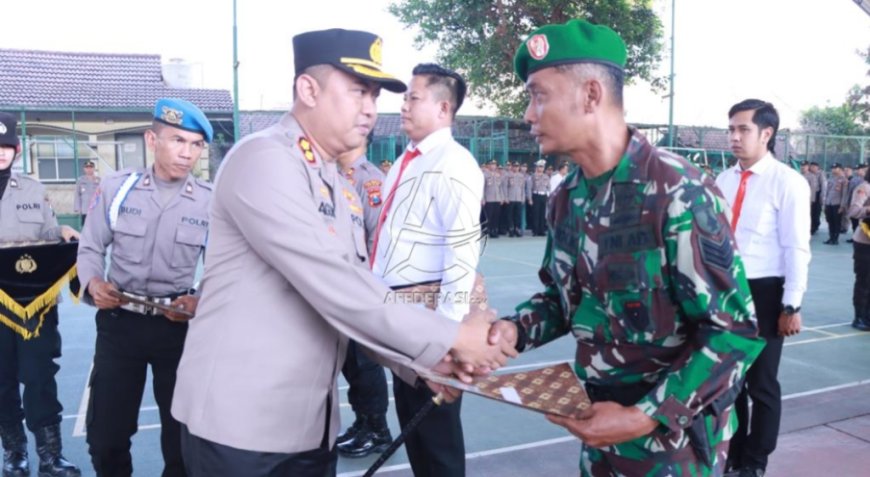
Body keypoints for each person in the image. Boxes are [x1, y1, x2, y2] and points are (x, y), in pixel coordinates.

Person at [170, 29, 511, 477]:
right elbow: (333, 283)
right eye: (357, 91)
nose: (371, 108)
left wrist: (424, 367)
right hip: (241, 428)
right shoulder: (264, 159)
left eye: (374, 95)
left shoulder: (335, 182)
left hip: (308, 426)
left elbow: (358, 289)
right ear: (308, 90)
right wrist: (451, 338)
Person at [489, 19, 764, 476]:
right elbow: (561, 299)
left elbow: (733, 332)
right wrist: (512, 330)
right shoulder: (566, 198)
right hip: (597, 428)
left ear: (590, 95)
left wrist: (643, 416)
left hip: (672, 446)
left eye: (538, 96)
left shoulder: (678, 191)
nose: (529, 115)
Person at [76, 98, 215, 477]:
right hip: (120, 324)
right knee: (106, 437)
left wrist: (199, 298)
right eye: (178, 141)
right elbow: (90, 247)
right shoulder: (118, 188)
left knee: (182, 439)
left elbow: (223, 266)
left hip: (178, 329)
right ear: (152, 140)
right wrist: (94, 283)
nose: (187, 153)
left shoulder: (209, 201)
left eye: (196, 145)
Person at [370, 62, 484, 477]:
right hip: (401, 316)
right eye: (404, 98)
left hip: (429, 315)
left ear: (443, 108)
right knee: (415, 431)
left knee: (437, 441)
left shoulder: (454, 163)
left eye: (413, 98)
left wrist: (446, 336)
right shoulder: (407, 161)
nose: (403, 106)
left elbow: (461, 254)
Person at [716, 99, 811, 477]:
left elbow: (796, 247)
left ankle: (756, 462)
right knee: (729, 382)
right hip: (726, 291)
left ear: (766, 134)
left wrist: (791, 305)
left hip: (765, 293)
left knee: (762, 384)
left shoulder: (788, 182)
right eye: (731, 129)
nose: (734, 137)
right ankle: (734, 454)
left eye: (744, 129)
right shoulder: (723, 180)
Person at [0, 111, 81, 477]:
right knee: (1, 380)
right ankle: (14, 452)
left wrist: (62, 232)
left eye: (6, 146)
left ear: (16, 150)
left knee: (39, 377)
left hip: (36, 305)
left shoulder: (33, 189)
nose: (1, 152)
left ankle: (51, 455)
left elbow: (48, 234)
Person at [333, 141, 393, 458]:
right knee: (350, 363)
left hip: (361, 288)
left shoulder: (369, 179)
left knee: (364, 362)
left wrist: (368, 290)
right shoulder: (332, 172)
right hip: (339, 286)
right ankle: (362, 422)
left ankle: (378, 430)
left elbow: (377, 236)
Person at [848, 165, 870, 330]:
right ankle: (859, 317)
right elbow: (854, 211)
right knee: (864, 280)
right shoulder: (865, 188)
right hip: (865, 242)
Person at [823, 163, 849, 245]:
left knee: (836, 222)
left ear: (840, 169)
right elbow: (827, 192)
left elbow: (844, 194)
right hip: (829, 203)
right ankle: (831, 237)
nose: (833, 170)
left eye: (835, 168)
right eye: (832, 168)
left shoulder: (844, 180)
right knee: (830, 221)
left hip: (837, 204)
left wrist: (842, 206)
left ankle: (835, 239)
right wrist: (825, 203)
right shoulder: (831, 179)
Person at [73, 160, 100, 225]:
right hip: (85, 209)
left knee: (96, 226)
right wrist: (77, 208)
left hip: (96, 209)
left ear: (94, 168)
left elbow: (102, 194)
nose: (89, 169)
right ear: (84, 169)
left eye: (91, 167)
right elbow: (77, 194)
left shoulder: (99, 180)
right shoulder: (80, 180)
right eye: (87, 167)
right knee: (85, 226)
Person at [482, 159, 503, 238]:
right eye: (491, 164)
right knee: (488, 216)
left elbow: (500, 188)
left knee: (496, 216)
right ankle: (487, 231)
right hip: (489, 199)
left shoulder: (498, 175)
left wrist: (501, 197)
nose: (493, 166)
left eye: (494, 165)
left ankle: (494, 230)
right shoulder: (484, 175)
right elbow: (482, 188)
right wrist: (483, 198)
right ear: (488, 166)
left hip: (497, 198)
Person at [505, 162, 526, 237]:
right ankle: (511, 229)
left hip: (519, 198)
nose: (516, 168)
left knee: (518, 215)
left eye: (517, 166)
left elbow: (523, 188)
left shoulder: (521, 176)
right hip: (510, 198)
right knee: (510, 215)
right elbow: (505, 187)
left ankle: (517, 229)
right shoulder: (508, 175)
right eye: (514, 166)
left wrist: (523, 198)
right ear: (512, 167)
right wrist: (506, 197)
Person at [529, 160, 549, 236]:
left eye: (543, 167)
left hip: (543, 195)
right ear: (537, 167)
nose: (541, 168)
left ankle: (541, 230)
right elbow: (529, 188)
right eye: (540, 166)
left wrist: (548, 196)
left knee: (542, 213)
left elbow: (549, 187)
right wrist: (530, 198)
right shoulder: (533, 176)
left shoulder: (546, 176)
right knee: (536, 213)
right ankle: (535, 230)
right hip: (536, 195)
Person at [807, 162, 825, 235]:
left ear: (818, 167)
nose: (813, 168)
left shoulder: (820, 174)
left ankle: (815, 225)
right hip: (810, 194)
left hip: (817, 194)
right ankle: (811, 226)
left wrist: (822, 196)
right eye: (811, 166)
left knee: (816, 211)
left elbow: (823, 185)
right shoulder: (808, 174)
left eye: (814, 167)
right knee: (810, 211)